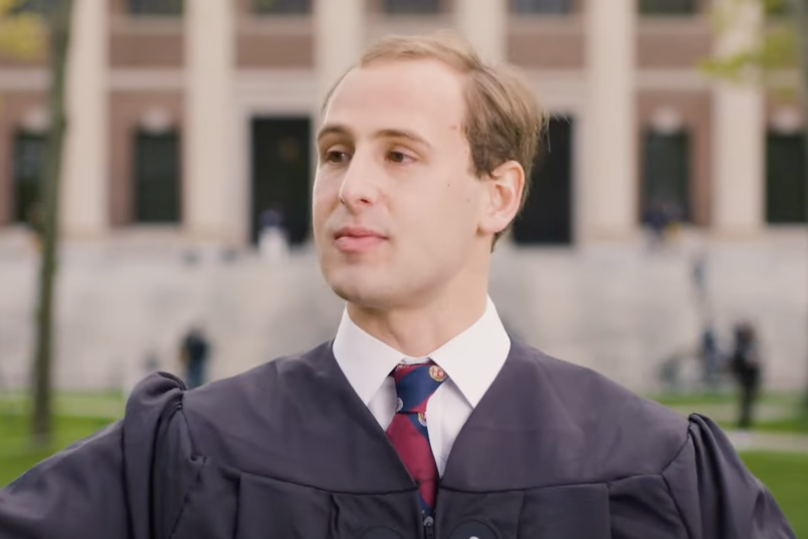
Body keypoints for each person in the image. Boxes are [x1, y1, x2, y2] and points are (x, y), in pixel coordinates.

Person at [0, 32, 795, 539]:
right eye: (336, 152)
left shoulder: (659, 467)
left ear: (499, 194)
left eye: (399, 155)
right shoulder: (186, 453)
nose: (350, 188)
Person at [730, 321, 763, 431]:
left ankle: (744, 427)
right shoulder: (745, 346)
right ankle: (743, 427)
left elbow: (753, 362)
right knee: (745, 404)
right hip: (747, 378)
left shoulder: (750, 346)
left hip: (750, 379)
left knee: (747, 404)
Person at [179, 325, 210, 389]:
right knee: (191, 380)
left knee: (196, 380)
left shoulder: (199, 343)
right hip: (192, 364)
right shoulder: (190, 342)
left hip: (197, 364)